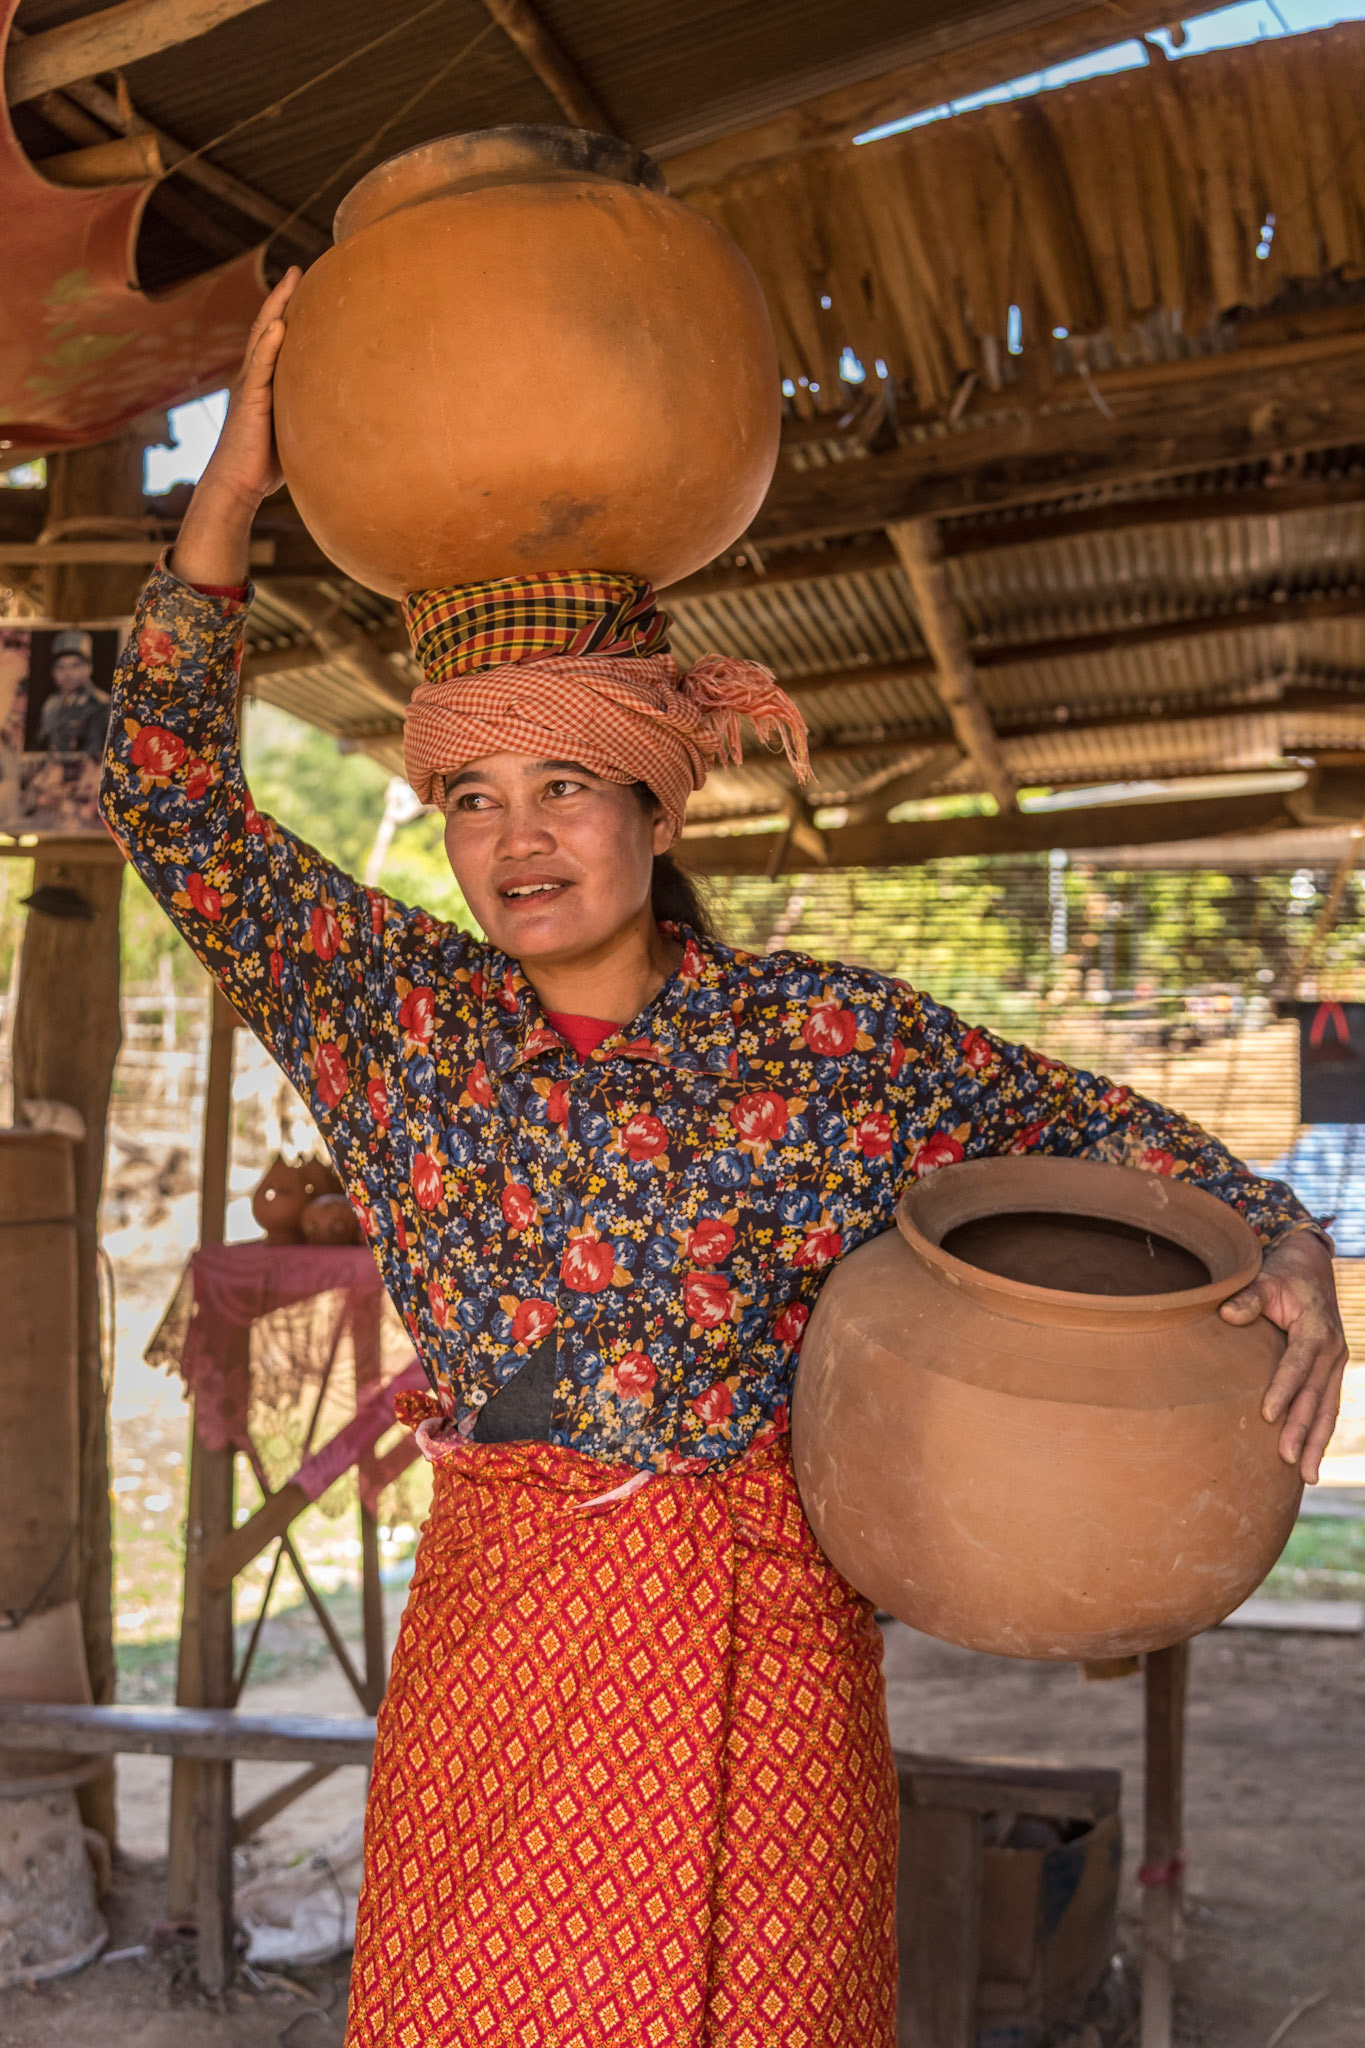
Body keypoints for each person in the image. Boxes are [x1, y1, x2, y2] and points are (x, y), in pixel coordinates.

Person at [101, 274, 1346, 2048]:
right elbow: (167, 795)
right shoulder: (398, 1018)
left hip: (770, 1671)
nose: (518, 840)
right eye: (472, 798)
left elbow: (1110, 1141)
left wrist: (1286, 1236)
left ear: (654, 802)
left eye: (564, 784)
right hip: (511, 1665)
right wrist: (232, 488)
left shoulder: (826, 1042)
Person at [38, 628, 110, 759]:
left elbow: (96, 754)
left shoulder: (102, 704)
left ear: (89, 668)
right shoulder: (51, 704)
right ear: (53, 671)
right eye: (61, 667)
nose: (68, 673)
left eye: (75, 666)